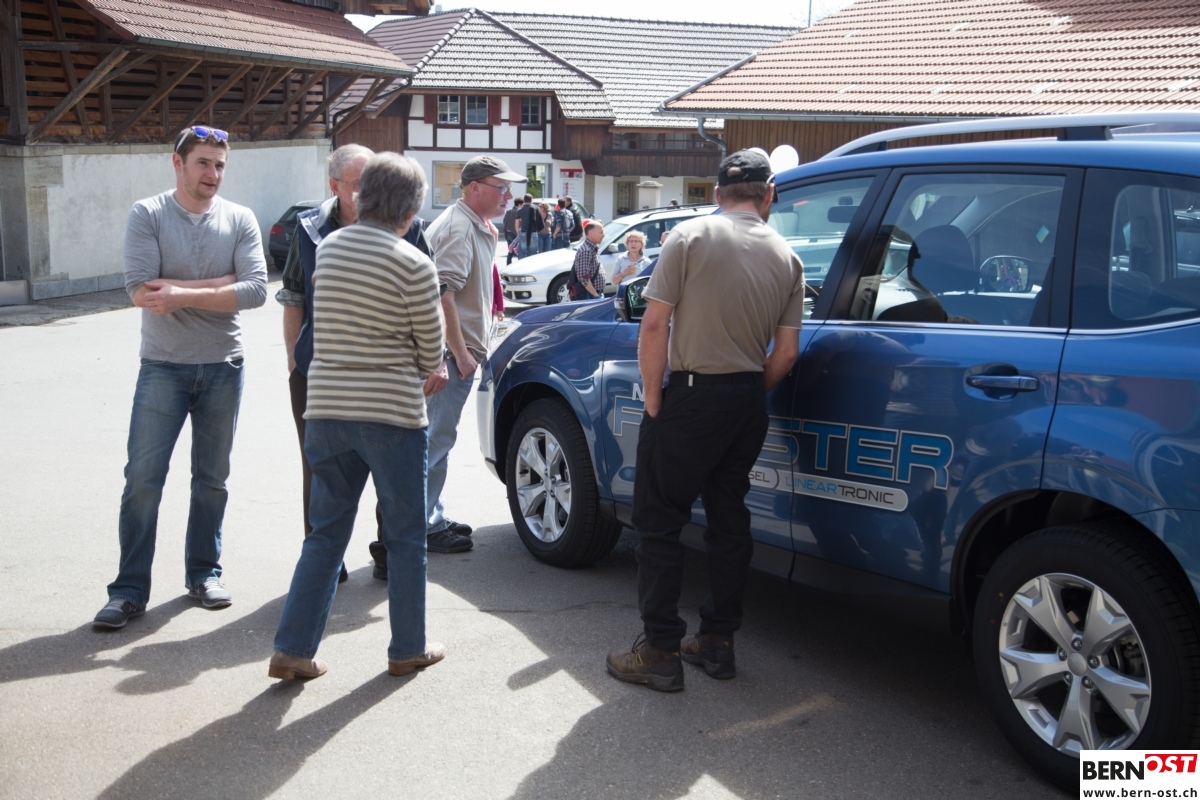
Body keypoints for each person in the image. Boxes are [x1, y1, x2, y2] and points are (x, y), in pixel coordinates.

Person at [606, 149, 806, 691]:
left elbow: (654, 326)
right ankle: (717, 642)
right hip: (746, 402)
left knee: (658, 522)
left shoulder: (689, 237)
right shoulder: (788, 256)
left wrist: (654, 397)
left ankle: (660, 651)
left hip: (692, 398)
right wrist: (746, 391)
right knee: (729, 519)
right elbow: (786, 354)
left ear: (717, 194)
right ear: (768, 195)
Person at [269, 152, 447, 682]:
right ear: (409, 210)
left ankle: (292, 648)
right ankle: (407, 647)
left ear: (363, 196)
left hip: (327, 409)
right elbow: (430, 352)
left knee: (325, 534)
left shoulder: (329, 249)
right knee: (406, 536)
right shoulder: (414, 262)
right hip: (391, 415)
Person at [94, 126, 268, 630]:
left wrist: (183, 293)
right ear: (178, 162)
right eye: (203, 163)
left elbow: (256, 290)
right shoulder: (148, 214)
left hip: (224, 365)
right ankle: (128, 591)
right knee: (143, 481)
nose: (213, 174)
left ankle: (204, 574)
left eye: (220, 165)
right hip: (163, 366)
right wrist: (220, 285)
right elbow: (142, 290)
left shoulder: (239, 218)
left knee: (211, 481)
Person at [276, 144, 372, 586]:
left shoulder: (401, 222)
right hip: (319, 370)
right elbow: (293, 295)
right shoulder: (309, 228)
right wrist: (294, 359)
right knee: (318, 468)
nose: (370, 190)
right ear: (334, 186)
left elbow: (429, 292)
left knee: (391, 467)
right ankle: (325, 560)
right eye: (359, 183)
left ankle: (391, 552)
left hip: (382, 373)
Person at [423, 155, 526, 553]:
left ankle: (430, 515)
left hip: (455, 354)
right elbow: (442, 294)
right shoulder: (459, 228)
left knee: (436, 441)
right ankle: (422, 527)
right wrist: (461, 353)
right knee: (434, 443)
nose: (508, 196)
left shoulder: (473, 223)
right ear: (474, 188)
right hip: (449, 358)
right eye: (501, 188)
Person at [571, 220, 605, 299]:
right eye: (601, 232)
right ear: (590, 233)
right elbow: (584, 278)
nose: (603, 235)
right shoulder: (586, 251)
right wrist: (596, 295)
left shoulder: (591, 248)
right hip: (589, 296)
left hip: (594, 294)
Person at [514, 192, 542, 258]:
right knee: (534, 251)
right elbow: (539, 220)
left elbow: (517, 222)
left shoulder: (520, 210)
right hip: (533, 232)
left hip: (523, 231)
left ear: (524, 200)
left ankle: (521, 263)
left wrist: (518, 231)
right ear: (531, 200)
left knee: (522, 251)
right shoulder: (536, 208)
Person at [502, 197, 522, 265]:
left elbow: (504, 221)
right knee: (518, 250)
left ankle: (508, 263)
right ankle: (519, 264)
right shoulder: (518, 212)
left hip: (508, 232)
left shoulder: (508, 211)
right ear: (519, 204)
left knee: (510, 249)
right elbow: (519, 222)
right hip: (516, 233)